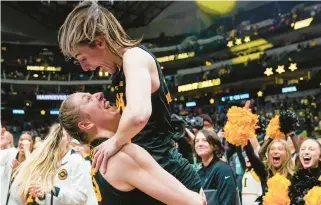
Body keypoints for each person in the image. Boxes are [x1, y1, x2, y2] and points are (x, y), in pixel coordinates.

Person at [58, 1, 201, 191]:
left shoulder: (134, 58)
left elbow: (138, 115)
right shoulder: (118, 71)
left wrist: (114, 143)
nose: (84, 67)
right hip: (152, 175)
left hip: (170, 174)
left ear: (100, 42)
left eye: (83, 58)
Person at [15, 92, 205, 205]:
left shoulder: (98, 156)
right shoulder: (121, 157)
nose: (99, 95)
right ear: (86, 124)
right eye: (88, 99)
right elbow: (194, 203)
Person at [11, 124, 97, 205]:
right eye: (55, 136)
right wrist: (41, 196)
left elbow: (81, 197)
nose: (57, 139)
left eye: (61, 136)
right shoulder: (48, 162)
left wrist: (54, 190)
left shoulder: (77, 161)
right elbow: (46, 198)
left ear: (68, 139)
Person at [194, 129, 239, 205]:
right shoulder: (198, 172)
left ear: (214, 146)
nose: (200, 144)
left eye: (205, 140)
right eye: (196, 141)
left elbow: (228, 202)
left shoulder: (223, 170)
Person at [1, 131, 34, 205]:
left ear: (33, 144)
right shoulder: (10, 153)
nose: (24, 143)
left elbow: (27, 195)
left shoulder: (34, 162)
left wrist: (17, 174)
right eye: (21, 140)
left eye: (28, 141)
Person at [288, 139, 321, 205]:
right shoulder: (293, 180)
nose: (306, 152)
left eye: (311, 149)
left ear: (320, 156)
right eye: (303, 149)